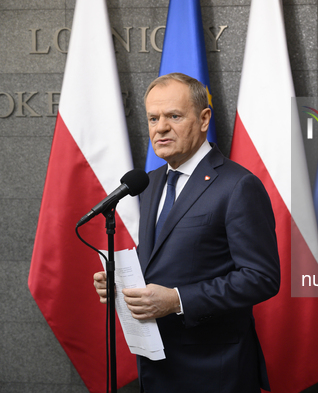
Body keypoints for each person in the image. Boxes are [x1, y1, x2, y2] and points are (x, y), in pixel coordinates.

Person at [93, 72, 281, 392]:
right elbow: (166, 257)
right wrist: (121, 280)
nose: (161, 127)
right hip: (157, 367)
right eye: (153, 118)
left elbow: (261, 277)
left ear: (204, 118)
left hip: (213, 371)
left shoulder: (238, 186)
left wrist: (177, 300)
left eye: (174, 116)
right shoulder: (150, 182)